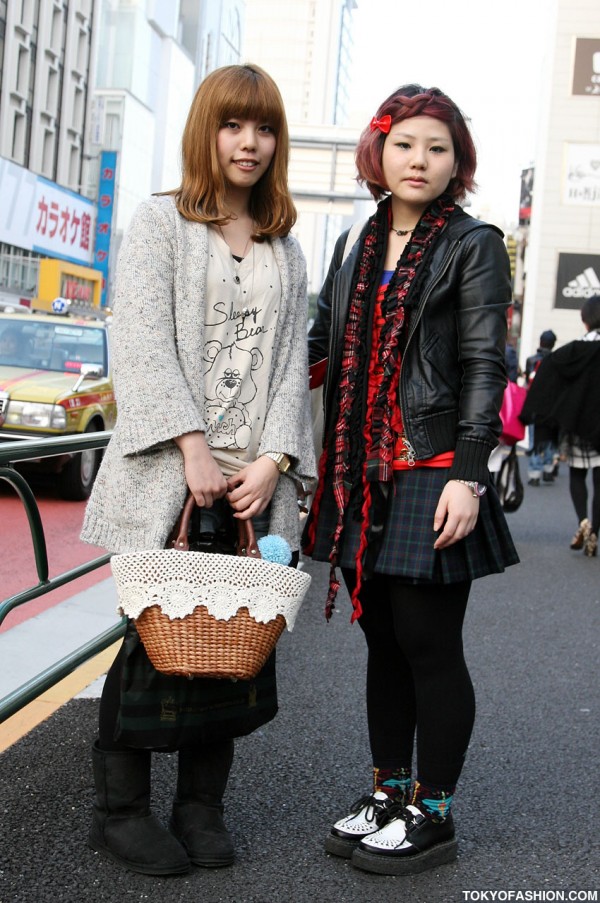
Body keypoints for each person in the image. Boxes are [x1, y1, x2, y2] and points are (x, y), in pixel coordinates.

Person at [80, 63, 315, 876]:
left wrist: (277, 459)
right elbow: (138, 337)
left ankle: (200, 807)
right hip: (169, 475)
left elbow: (292, 366)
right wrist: (188, 447)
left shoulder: (287, 243)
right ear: (205, 131)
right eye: (232, 125)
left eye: (264, 128)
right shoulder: (158, 223)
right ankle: (120, 812)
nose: (249, 143)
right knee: (150, 643)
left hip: (251, 485)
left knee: (233, 648)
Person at [303, 84, 519, 877]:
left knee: (429, 641)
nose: (419, 160)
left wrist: (469, 471)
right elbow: (322, 341)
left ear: (457, 159)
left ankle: (433, 812)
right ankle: (388, 792)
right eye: (404, 144)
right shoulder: (358, 243)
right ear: (378, 151)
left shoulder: (474, 242)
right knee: (381, 640)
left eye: (437, 147)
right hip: (363, 467)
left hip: (430, 463)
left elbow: (482, 363)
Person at [520, 295, 600, 557]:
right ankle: (596, 531)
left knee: (577, 475)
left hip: (577, 425)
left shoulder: (572, 352)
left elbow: (548, 375)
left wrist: (533, 413)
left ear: (584, 319)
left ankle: (582, 522)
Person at [524, 329, 559, 486]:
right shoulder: (557, 360)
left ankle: (534, 474)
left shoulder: (531, 360)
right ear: (553, 344)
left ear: (540, 342)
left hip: (534, 406)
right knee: (551, 439)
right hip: (552, 407)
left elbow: (527, 383)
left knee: (534, 439)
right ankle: (548, 470)